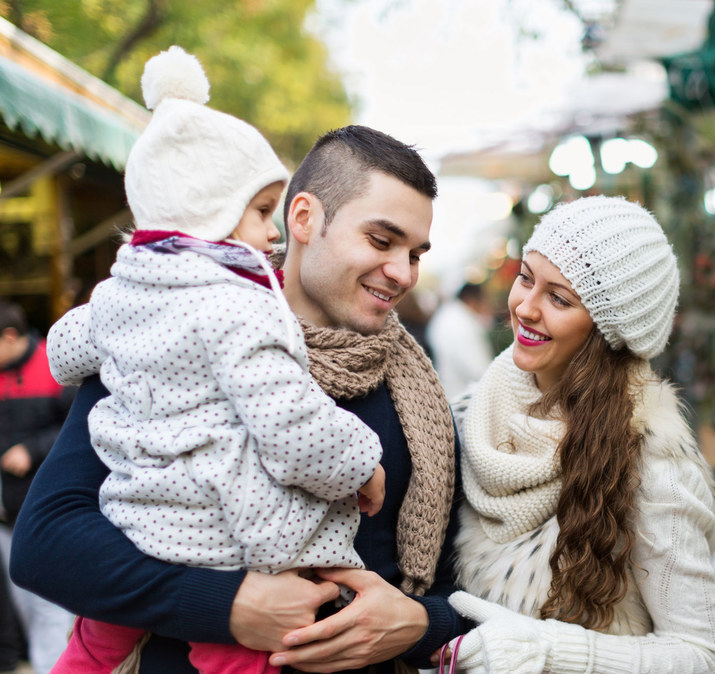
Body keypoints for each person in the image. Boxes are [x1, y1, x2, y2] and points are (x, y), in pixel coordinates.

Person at [12, 126, 466, 674]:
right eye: (380, 240)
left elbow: (451, 588)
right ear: (302, 219)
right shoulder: (166, 339)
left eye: (416, 253)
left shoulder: (421, 398)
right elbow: (45, 545)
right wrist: (224, 606)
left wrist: (418, 625)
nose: (402, 272)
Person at [42, 47, 388, 674]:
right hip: (219, 540)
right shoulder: (239, 309)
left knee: (93, 650)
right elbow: (293, 427)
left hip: (132, 523)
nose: (271, 234)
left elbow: (63, 354)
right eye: (260, 212)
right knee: (242, 657)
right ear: (210, 217)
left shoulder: (121, 295)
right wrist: (362, 462)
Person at [446, 196, 715, 673]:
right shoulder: (470, 418)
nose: (526, 308)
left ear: (608, 332)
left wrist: (546, 650)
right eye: (526, 278)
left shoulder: (651, 462)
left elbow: (706, 659)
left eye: (559, 299)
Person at [0, 301, 76, 674]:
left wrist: (31, 450)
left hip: (47, 512)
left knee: (48, 605)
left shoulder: (56, 364)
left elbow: (81, 428)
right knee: (23, 603)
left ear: (10, 337)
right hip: (5, 514)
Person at [428, 282, 493, 401]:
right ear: (471, 300)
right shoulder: (461, 324)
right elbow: (478, 369)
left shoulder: (446, 315)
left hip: (449, 392)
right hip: (462, 398)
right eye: (483, 300)